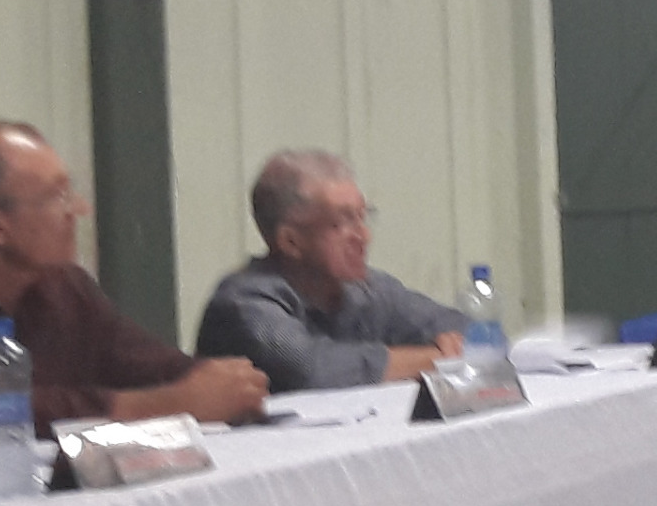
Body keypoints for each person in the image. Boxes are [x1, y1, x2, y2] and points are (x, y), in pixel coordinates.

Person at [0, 121, 269, 431]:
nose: (79, 210)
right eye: (57, 196)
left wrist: (219, 382)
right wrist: (166, 405)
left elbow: (145, 362)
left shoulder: (64, 286)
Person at [193, 151, 467, 391]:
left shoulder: (365, 289)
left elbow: (460, 328)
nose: (363, 236)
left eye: (363, 217)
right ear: (291, 241)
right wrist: (437, 358)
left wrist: (452, 340)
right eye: (342, 222)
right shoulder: (244, 302)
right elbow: (312, 370)